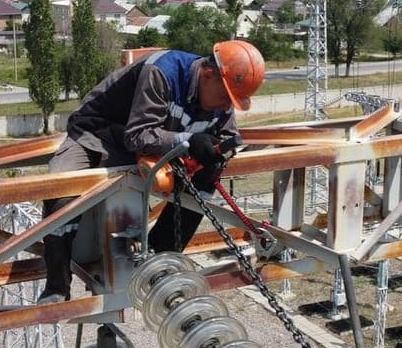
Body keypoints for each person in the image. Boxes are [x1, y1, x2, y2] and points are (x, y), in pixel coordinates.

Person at [36, 40, 265, 304]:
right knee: (60, 194)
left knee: (208, 173)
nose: (226, 106)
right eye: (226, 97)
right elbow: (137, 135)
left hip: (146, 144)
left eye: (232, 102)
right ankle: (56, 285)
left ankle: (161, 260)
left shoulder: (220, 101)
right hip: (96, 133)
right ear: (207, 74)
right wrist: (188, 140)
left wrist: (216, 152)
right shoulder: (163, 73)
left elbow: (228, 137)